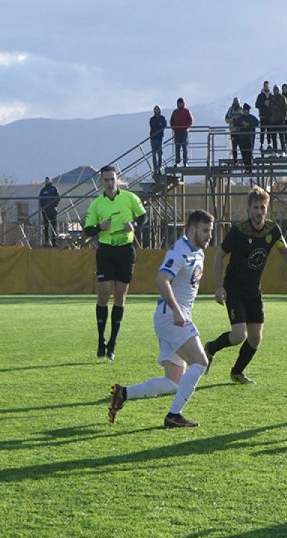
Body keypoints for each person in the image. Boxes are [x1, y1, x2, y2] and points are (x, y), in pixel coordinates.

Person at [109, 210, 214, 429]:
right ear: (193, 229)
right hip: (172, 317)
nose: (209, 236)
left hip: (170, 317)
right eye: (205, 231)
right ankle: (174, 416)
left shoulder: (199, 253)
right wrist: (177, 311)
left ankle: (123, 393)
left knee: (174, 382)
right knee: (201, 363)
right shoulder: (180, 251)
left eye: (210, 232)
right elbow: (161, 280)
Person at [204, 185, 287, 384]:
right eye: (256, 208)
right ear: (249, 209)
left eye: (262, 207)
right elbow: (219, 256)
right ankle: (210, 348)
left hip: (254, 291)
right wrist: (218, 287)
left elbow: (285, 250)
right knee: (238, 336)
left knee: (255, 338)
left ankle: (237, 372)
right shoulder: (239, 231)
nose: (259, 212)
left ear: (267, 208)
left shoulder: (272, 230)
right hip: (234, 289)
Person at [83, 165, 148, 360]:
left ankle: (112, 343)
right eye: (106, 180)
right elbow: (88, 230)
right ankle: (101, 339)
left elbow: (143, 216)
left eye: (113, 179)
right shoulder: (96, 204)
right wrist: (99, 227)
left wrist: (135, 225)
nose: (110, 183)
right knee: (103, 295)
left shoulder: (129, 198)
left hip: (125, 252)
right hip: (105, 251)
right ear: (101, 182)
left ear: (117, 179)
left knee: (120, 296)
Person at [235, 103, 259, 173]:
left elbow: (256, 123)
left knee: (249, 153)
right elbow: (236, 123)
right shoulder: (240, 118)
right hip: (241, 139)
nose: (245, 111)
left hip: (249, 138)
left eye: (247, 110)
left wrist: (249, 124)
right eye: (244, 110)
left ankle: (250, 168)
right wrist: (242, 123)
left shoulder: (252, 118)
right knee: (243, 154)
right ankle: (246, 168)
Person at [170, 98, 193, 167]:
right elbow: (172, 121)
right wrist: (174, 128)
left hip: (184, 132)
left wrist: (186, 127)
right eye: (179, 103)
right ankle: (177, 162)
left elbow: (190, 120)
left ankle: (185, 162)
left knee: (184, 147)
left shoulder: (186, 111)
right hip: (177, 132)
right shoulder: (175, 112)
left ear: (183, 103)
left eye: (181, 103)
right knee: (177, 148)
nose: (180, 104)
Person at [38, 177, 60, 247]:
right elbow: (40, 200)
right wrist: (43, 207)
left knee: (54, 226)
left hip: (52, 210)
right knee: (46, 226)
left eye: (48, 181)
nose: (47, 182)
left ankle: (54, 242)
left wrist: (54, 205)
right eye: (46, 181)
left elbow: (58, 198)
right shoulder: (43, 190)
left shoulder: (54, 189)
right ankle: (47, 241)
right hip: (45, 211)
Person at [268, 84, 287, 155]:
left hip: (280, 120)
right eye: (274, 89)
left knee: (282, 136)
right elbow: (269, 109)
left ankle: (283, 151)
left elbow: (285, 109)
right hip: (273, 121)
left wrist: (283, 118)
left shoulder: (282, 98)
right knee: (274, 137)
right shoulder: (271, 99)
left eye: (277, 89)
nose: (275, 91)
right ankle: (275, 151)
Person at [149, 105, 168, 175]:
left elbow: (164, 124)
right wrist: (160, 125)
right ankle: (155, 169)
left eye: (158, 109)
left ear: (160, 110)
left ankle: (159, 168)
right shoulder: (152, 119)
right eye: (155, 109)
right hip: (153, 138)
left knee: (160, 154)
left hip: (160, 139)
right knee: (154, 155)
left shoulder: (162, 118)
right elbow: (154, 126)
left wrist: (160, 126)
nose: (157, 111)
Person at [224, 98, 244, 165]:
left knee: (242, 146)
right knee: (234, 147)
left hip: (241, 131)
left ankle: (244, 159)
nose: (236, 103)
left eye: (237, 102)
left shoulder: (242, 109)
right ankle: (235, 161)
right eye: (235, 102)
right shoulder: (230, 110)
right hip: (233, 131)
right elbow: (226, 119)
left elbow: (245, 118)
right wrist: (233, 119)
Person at [255, 80, 272, 153]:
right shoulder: (260, 96)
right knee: (262, 131)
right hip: (262, 116)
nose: (266, 87)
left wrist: (269, 104)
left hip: (270, 117)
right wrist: (263, 104)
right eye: (265, 86)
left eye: (267, 86)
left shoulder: (272, 95)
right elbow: (256, 105)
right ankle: (261, 144)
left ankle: (269, 144)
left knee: (269, 131)